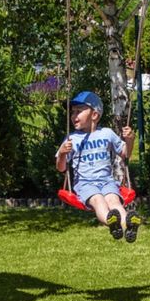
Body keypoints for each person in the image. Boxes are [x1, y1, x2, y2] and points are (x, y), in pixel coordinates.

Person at [55, 91, 141, 243]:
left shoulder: (107, 133)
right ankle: (111, 223)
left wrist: (130, 140)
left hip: (108, 181)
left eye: (79, 111)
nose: (73, 116)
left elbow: (125, 154)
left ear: (94, 115)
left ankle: (128, 225)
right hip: (85, 184)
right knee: (98, 200)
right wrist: (62, 153)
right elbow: (61, 168)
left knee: (114, 201)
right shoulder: (72, 139)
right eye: (72, 112)